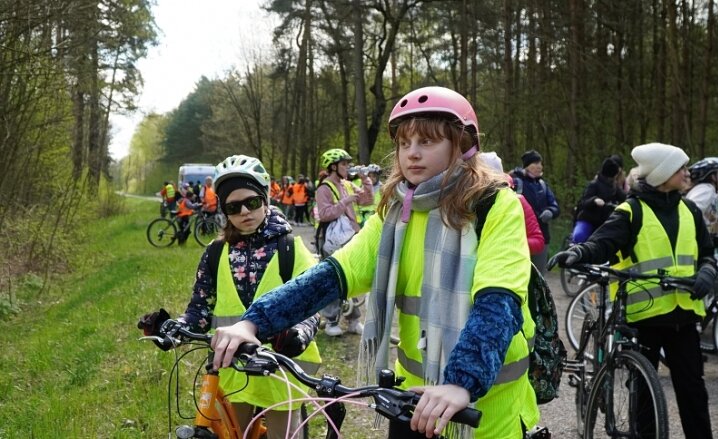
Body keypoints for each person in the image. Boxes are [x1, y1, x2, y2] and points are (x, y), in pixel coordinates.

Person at [210, 86, 539, 438]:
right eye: (404, 143)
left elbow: (497, 300)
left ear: (461, 144)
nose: (411, 154)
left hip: (486, 405)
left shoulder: (496, 206)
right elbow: (334, 274)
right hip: (413, 397)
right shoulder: (397, 211)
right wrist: (254, 322)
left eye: (427, 142)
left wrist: (462, 382)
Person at [141, 155, 321, 439]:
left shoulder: (291, 250)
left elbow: (314, 302)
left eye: (252, 202)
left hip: (279, 371)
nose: (244, 212)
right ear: (224, 210)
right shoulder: (215, 252)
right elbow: (200, 309)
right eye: (233, 207)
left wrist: (298, 332)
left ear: (265, 199)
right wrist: (173, 327)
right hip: (231, 370)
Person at [549, 142, 715, 439]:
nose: (687, 173)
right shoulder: (632, 211)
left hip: (685, 314)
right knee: (642, 397)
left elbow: (707, 253)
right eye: (680, 168)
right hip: (644, 316)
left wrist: (707, 271)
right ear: (664, 174)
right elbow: (603, 242)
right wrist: (578, 253)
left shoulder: (690, 210)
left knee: (694, 392)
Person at [315, 148, 373, 336]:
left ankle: (354, 319)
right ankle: (331, 321)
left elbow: (367, 200)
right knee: (334, 278)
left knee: (355, 275)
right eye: (343, 164)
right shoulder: (324, 188)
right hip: (331, 240)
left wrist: (366, 181)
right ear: (333, 167)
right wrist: (345, 202)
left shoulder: (346, 184)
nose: (347, 167)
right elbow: (324, 214)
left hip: (351, 237)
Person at [480, 151, 545, 256]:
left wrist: (509, 243)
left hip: (510, 261)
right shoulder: (466, 203)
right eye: (536, 163)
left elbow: (537, 240)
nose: (539, 167)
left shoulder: (519, 198)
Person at [511, 149, 560, 273]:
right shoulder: (516, 182)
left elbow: (555, 206)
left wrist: (551, 211)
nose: (540, 166)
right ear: (527, 166)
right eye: (536, 163)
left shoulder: (543, 185)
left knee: (539, 276)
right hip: (520, 235)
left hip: (542, 236)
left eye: (540, 163)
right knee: (518, 273)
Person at [571, 156, 626, 243]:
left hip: (603, 222)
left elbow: (625, 197)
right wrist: (594, 200)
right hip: (588, 220)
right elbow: (583, 202)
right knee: (579, 236)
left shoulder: (614, 187)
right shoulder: (594, 184)